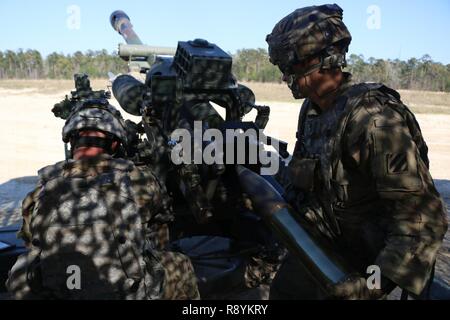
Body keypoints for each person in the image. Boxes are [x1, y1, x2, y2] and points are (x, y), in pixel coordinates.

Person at [265, 4, 448, 299]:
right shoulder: (312, 110)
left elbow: (423, 219)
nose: (285, 75)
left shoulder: (373, 119)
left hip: (375, 269)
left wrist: (372, 286)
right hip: (325, 252)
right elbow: (307, 182)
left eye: (291, 64)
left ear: (324, 60)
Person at [6, 99, 200, 300]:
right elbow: (161, 225)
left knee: (22, 269)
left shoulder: (41, 190)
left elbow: (32, 242)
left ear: (72, 142)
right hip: (126, 294)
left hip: (58, 292)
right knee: (179, 264)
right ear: (115, 143)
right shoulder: (141, 179)